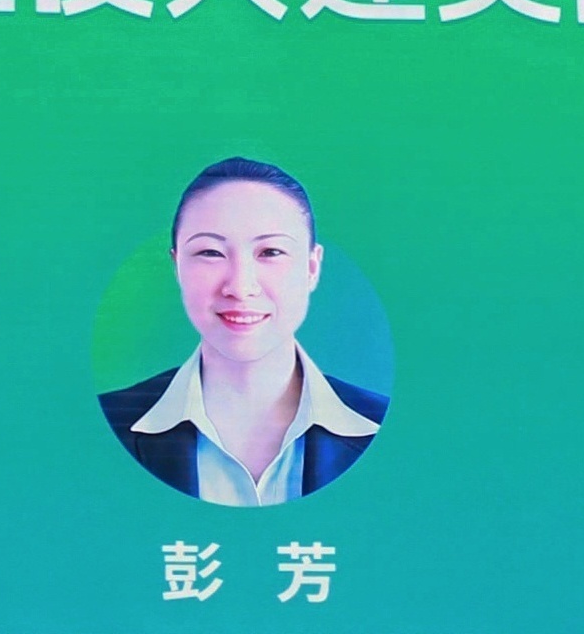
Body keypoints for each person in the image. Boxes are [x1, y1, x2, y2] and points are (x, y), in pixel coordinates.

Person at [100, 158, 388, 506]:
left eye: (270, 252)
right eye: (210, 252)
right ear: (177, 266)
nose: (240, 286)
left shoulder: (382, 427)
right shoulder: (105, 425)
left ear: (312, 267)